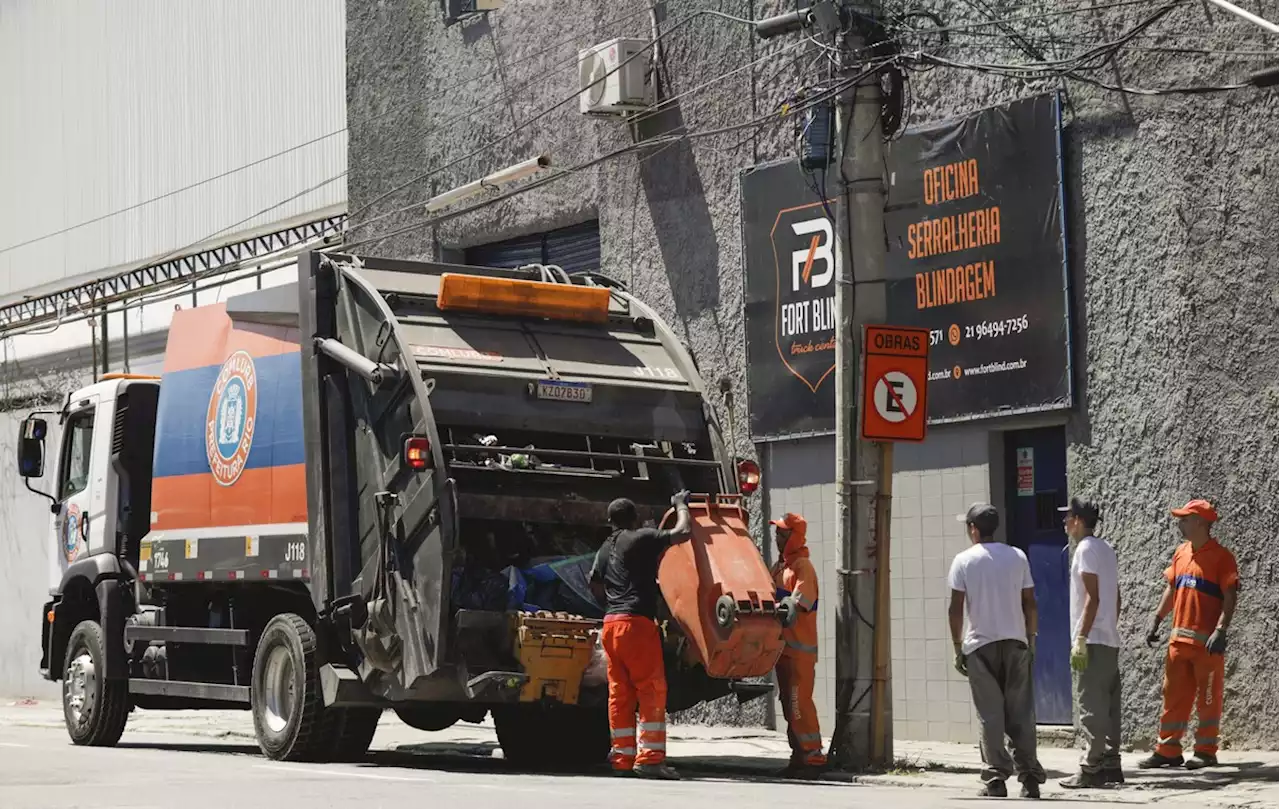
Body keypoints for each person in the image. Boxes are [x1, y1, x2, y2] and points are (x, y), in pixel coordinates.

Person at [589, 491, 692, 780]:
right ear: (634, 519)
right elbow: (682, 532)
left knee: (619, 693)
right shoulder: (640, 538)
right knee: (651, 689)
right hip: (635, 624)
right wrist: (681, 505)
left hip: (611, 625)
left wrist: (611, 606)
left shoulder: (604, 549)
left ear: (610, 521)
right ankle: (650, 759)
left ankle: (622, 757)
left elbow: (593, 583)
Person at [948, 503, 1046, 799]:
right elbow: (1030, 602)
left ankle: (996, 781)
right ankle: (1029, 779)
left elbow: (955, 608)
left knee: (990, 716)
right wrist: (1031, 639)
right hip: (1016, 643)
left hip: (980, 646)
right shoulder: (1017, 556)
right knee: (1021, 714)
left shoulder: (963, 561)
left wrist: (957, 647)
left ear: (974, 529)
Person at [1140, 499, 1239, 771]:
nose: (1180, 524)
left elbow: (1230, 595)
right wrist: (1156, 620)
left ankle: (1206, 751)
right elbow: (1171, 590)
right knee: (1172, 697)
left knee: (1208, 700)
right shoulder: (1181, 553)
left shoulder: (1222, 557)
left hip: (1206, 647)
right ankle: (1168, 750)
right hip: (1178, 644)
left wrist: (1221, 630)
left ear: (1200, 522)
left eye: (1184, 519)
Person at [1057, 498, 1124, 789]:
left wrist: (1081, 637)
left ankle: (1091, 767)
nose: (1064, 522)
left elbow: (1091, 597)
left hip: (1092, 638)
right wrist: (1109, 625)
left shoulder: (1084, 550)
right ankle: (1111, 764)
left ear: (1079, 521)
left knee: (1090, 704)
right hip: (1108, 637)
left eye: (1067, 517)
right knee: (1109, 704)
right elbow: (1115, 597)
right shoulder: (1106, 549)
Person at [770, 512, 827, 776]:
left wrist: (778, 606)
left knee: (797, 703)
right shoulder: (780, 567)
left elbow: (799, 603)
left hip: (799, 651)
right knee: (789, 704)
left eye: (783, 533)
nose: (777, 538)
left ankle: (812, 756)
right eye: (777, 533)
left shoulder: (803, 567)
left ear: (795, 536)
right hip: (784, 650)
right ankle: (799, 755)